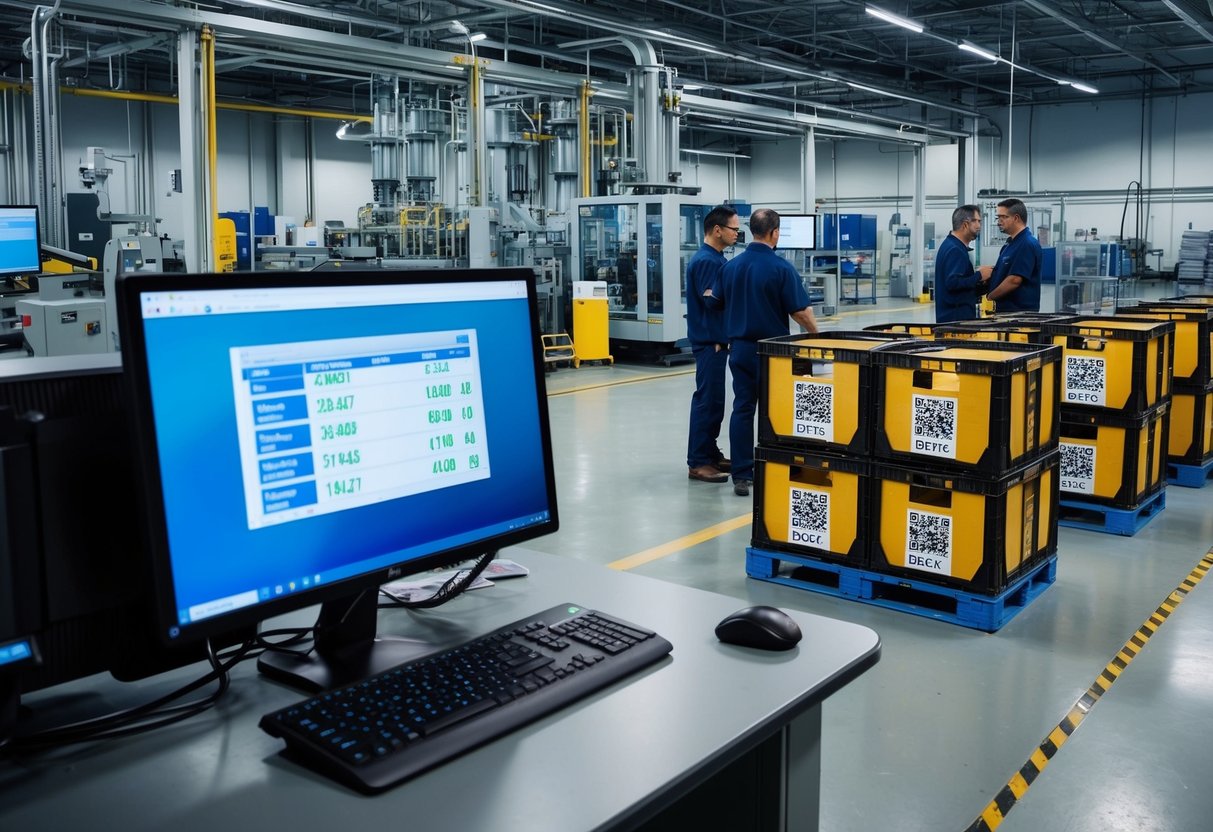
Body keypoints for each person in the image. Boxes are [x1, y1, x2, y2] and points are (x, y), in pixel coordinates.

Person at [721, 208, 819, 497]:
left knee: (742, 408)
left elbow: (719, 304)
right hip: (772, 352)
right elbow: (800, 312)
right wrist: (819, 336)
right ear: (775, 233)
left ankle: (741, 474)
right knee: (778, 410)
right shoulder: (781, 268)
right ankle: (779, 467)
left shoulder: (730, 267)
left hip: (738, 349)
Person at [685, 205, 741, 484]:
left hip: (716, 342)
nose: (737, 234)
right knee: (707, 402)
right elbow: (712, 300)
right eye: (734, 229)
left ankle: (709, 453)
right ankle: (698, 462)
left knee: (715, 402)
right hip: (711, 344)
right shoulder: (708, 261)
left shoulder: (715, 258)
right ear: (717, 230)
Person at [934, 204, 993, 323]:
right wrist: (980, 275)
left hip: (952, 317)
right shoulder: (955, 250)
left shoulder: (951, 245)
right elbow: (953, 283)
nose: (979, 226)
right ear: (965, 224)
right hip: (956, 320)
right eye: (976, 221)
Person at [988, 197, 1043, 312]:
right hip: (1006, 312)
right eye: (998, 217)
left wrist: (989, 297)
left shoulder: (1027, 244)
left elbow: (1014, 280)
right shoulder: (1010, 244)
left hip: (1018, 314)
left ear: (1016, 218)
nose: (999, 221)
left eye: (1004, 217)